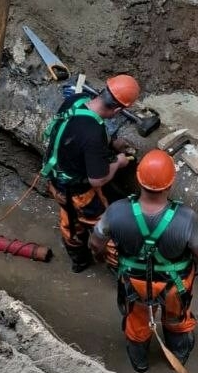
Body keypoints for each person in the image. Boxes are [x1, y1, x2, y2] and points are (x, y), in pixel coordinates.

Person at [90, 149, 198, 373]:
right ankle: (177, 358)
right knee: (176, 320)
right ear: (170, 184)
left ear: (139, 180)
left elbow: (96, 244)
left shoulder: (116, 212)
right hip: (174, 285)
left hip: (134, 284)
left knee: (137, 321)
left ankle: (139, 363)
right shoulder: (186, 218)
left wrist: (101, 257)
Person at [42, 75, 140, 272]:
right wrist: (118, 163)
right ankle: (121, 270)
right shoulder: (93, 133)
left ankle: (79, 263)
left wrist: (111, 144)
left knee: (69, 222)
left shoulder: (75, 100)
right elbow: (97, 179)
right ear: (119, 109)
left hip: (55, 181)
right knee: (105, 228)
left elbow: (77, 135)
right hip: (80, 193)